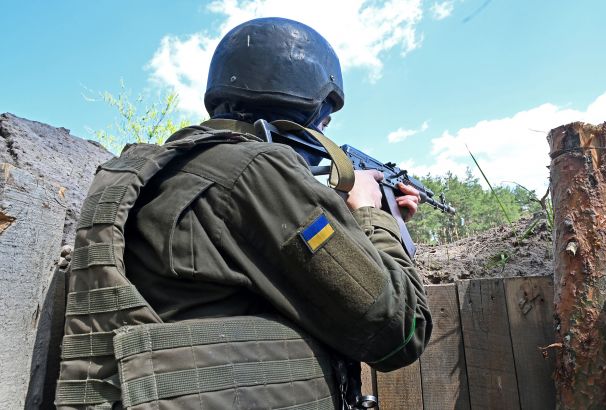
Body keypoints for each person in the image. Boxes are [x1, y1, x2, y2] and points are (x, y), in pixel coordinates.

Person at [55, 17, 432, 410]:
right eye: (324, 120)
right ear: (305, 109)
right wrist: (371, 212)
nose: (325, 134)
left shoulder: (160, 172)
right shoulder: (257, 172)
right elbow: (401, 332)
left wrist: (369, 221)